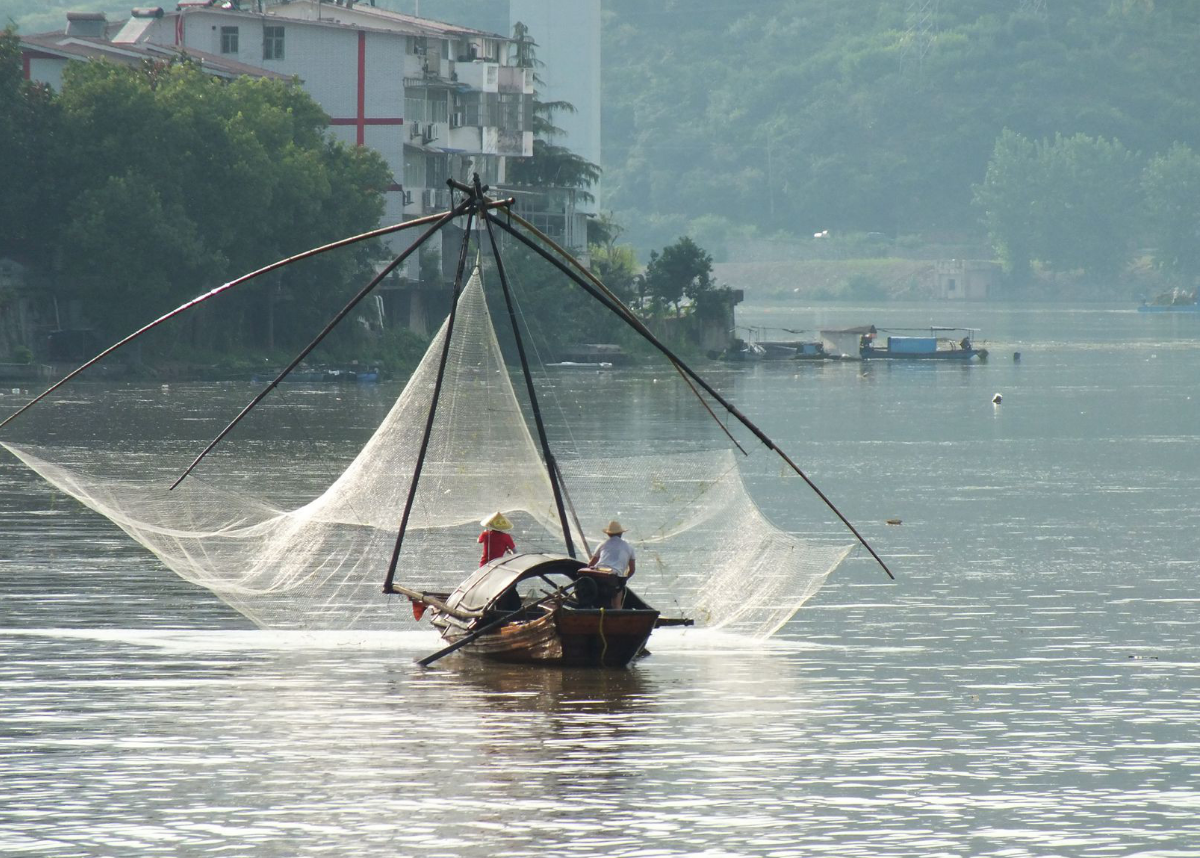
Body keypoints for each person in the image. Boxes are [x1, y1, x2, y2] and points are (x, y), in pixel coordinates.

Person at [586, 520, 636, 607]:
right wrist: (624, 580)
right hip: (613, 578)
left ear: (608, 534)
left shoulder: (602, 544)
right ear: (621, 534)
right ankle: (617, 612)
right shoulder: (629, 547)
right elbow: (632, 570)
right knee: (617, 594)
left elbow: (590, 565)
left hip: (598, 575)